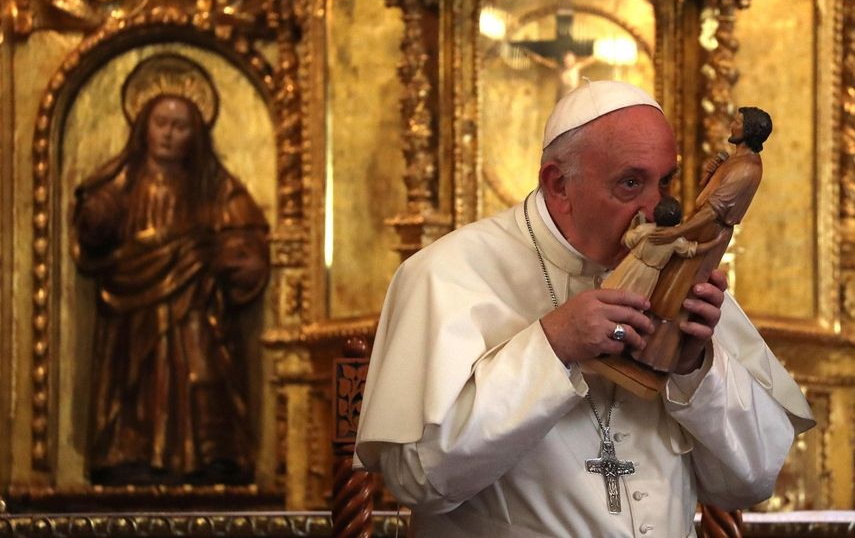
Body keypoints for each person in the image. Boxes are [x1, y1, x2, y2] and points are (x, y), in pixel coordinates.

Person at [355, 80, 813, 536]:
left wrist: (696, 368)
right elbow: (417, 479)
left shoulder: (682, 274)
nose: (660, 209)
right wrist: (554, 345)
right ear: (559, 185)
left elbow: (751, 481)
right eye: (631, 184)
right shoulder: (445, 275)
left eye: (665, 181)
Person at [71, 53, 270, 486]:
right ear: (143, 127)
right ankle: (132, 453)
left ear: (195, 135)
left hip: (197, 308)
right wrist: (96, 218)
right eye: (161, 123)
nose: (168, 134)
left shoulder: (216, 186)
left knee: (202, 372)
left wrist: (234, 258)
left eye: (180, 127)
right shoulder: (121, 181)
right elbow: (95, 221)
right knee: (138, 379)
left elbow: (249, 243)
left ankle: (213, 456)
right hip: (133, 312)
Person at [602, 197, 726, 299]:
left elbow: (625, 240)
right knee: (636, 301)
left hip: (631, 265)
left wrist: (632, 226)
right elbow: (694, 249)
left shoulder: (645, 230)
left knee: (614, 290)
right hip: (649, 275)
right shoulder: (676, 241)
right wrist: (716, 242)